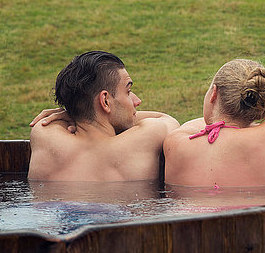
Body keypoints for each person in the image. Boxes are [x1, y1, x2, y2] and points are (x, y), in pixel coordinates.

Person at [163, 59, 265, 187]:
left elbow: (197, 127)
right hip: (257, 224)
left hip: (190, 225)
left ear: (213, 94)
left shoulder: (177, 142)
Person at [28, 51, 179, 182]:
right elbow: (168, 121)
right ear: (105, 101)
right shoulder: (143, 139)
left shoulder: (44, 133)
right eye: (128, 91)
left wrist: (76, 112)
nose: (137, 101)